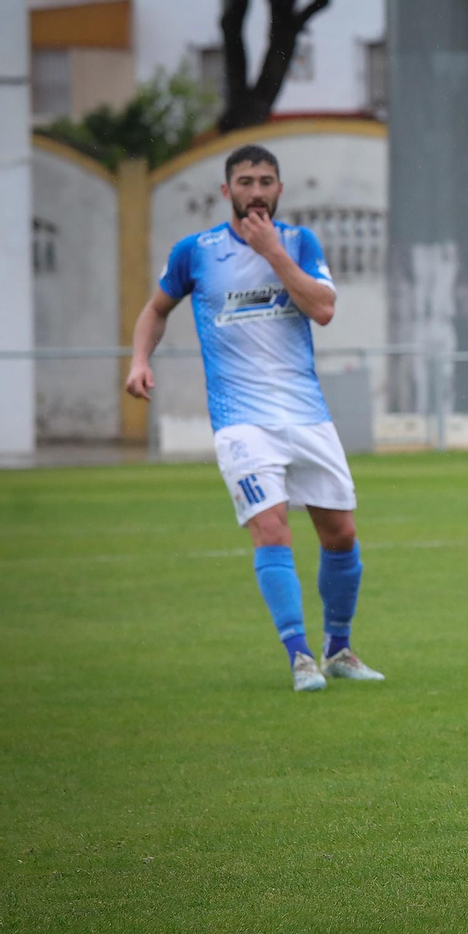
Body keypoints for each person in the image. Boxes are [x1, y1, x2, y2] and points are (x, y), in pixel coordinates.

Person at [124, 144, 384, 693]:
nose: (257, 191)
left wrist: (273, 254)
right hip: (241, 421)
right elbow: (155, 310)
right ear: (227, 191)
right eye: (246, 181)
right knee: (271, 528)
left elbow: (323, 308)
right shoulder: (195, 252)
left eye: (266, 180)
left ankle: (339, 648)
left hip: (306, 414)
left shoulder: (298, 243)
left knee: (340, 535)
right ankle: (300, 657)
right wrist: (140, 360)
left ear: (280, 189)